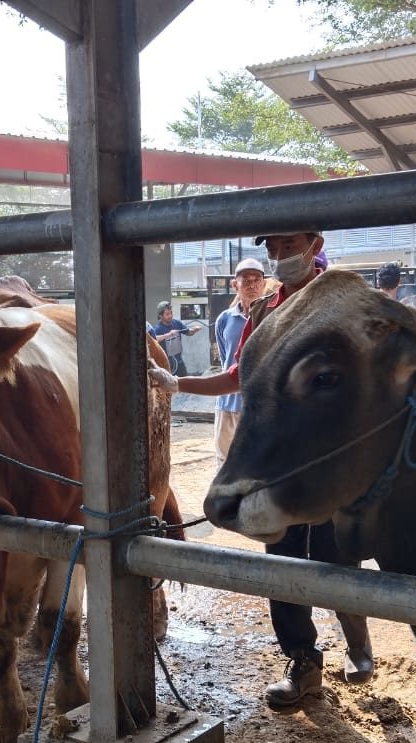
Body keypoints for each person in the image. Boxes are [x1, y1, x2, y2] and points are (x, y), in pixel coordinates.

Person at [150, 230, 374, 707]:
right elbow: (239, 374)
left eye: (288, 245)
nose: (278, 256)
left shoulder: (345, 301)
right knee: (282, 560)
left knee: (337, 553)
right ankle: (303, 662)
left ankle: (358, 642)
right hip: (276, 458)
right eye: (272, 248)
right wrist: (179, 383)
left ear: (314, 245)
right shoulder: (263, 313)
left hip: (331, 457)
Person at [211, 259, 267, 466]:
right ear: (235, 285)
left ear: (264, 284)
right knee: (225, 463)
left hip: (263, 408)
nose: (252, 285)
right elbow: (227, 360)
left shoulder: (275, 317)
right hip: (228, 404)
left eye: (257, 279)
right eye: (246, 280)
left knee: (261, 466)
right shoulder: (224, 319)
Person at [147, 301, 200, 377]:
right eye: (167, 314)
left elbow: (188, 332)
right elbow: (154, 340)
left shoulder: (177, 323)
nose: (170, 316)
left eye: (171, 313)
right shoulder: (158, 329)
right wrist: (168, 335)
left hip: (179, 362)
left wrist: (194, 330)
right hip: (166, 365)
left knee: (184, 381)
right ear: (161, 316)